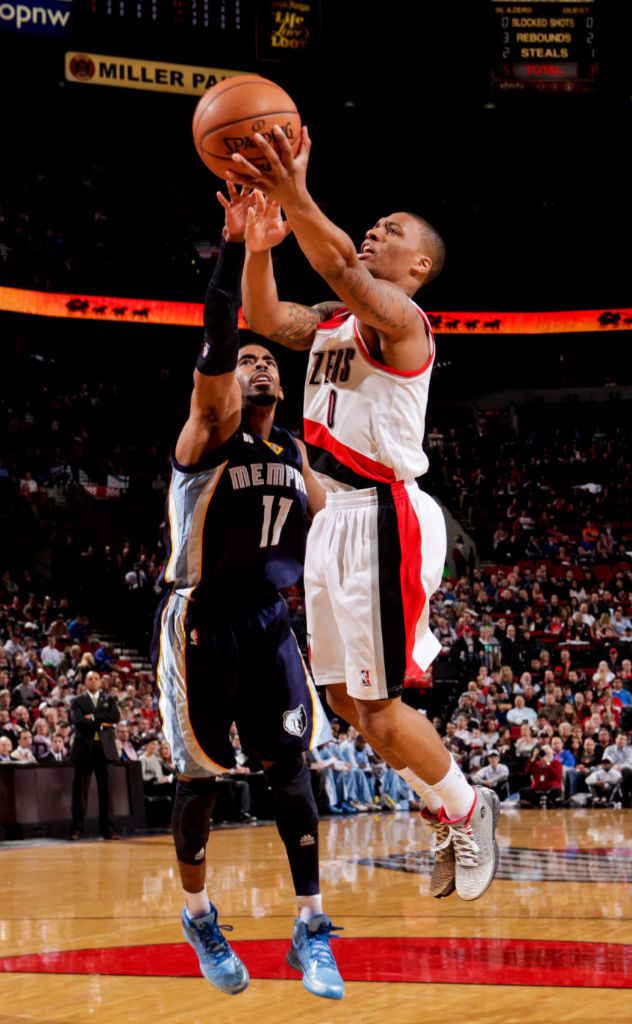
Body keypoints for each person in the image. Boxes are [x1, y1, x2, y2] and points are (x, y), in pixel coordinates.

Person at [235, 132, 499, 904]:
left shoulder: (402, 322)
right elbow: (260, 313)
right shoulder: (330, 322)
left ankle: (469, 808)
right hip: (335, 521)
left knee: (380, 707)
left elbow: (344, 267)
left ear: (418, 267)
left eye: (394, 229)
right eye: (374, 222)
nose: (377, 230)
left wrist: (292, 189)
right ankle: (442, 801)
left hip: (386, 516)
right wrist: (259, 244)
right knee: (347, 700)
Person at [151, 185, 343, 1000]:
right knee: (200, 786)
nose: (262, 364)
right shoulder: (209, 427)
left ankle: (310, 928)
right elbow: (224, 330)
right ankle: (198, 913)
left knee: (292, 773)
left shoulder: (300, 457)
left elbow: (344, 535)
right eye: (252, 359)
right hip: (199, 622)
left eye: (273, 361)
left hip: (269, 624)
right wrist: (237, 246)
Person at [68, 669, 121, 840]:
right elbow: (77, 721)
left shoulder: (108, 698)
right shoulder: (77, 701)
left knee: (107, 793)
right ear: (85, 682)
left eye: (96, 678)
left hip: (105, 750)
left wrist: (94, 717)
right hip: (84, 750)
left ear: (100, 682)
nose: (93, 681)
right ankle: (76, 829)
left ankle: (109, 830)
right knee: (80, 792)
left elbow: (115, 716)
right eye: (90, 679)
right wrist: (102, 723)